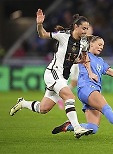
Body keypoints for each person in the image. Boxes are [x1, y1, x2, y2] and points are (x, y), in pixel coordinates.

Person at [9, 9, 98, 139]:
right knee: (70, 96)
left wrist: (90, 72)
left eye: (87, 29)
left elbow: (84, 59)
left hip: (63, 77)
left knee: (43, 108)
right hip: (53, 73)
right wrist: (39, 24)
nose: (85, 31)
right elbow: (43, 34)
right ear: (76, 27)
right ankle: (77, 128)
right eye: (83, 28)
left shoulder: (84, 42)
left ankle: (23, 103)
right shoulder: (63, 35)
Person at [52, 36, 113, 136]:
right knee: (106, 108)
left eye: (102, 45)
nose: (101, 47)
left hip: (93, 91)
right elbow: (72, 56)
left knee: (93, 128)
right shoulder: (84, 55)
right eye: (99, 44)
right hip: (86, 88)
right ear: (91, 44)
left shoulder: (101, 61)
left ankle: (69, 126)